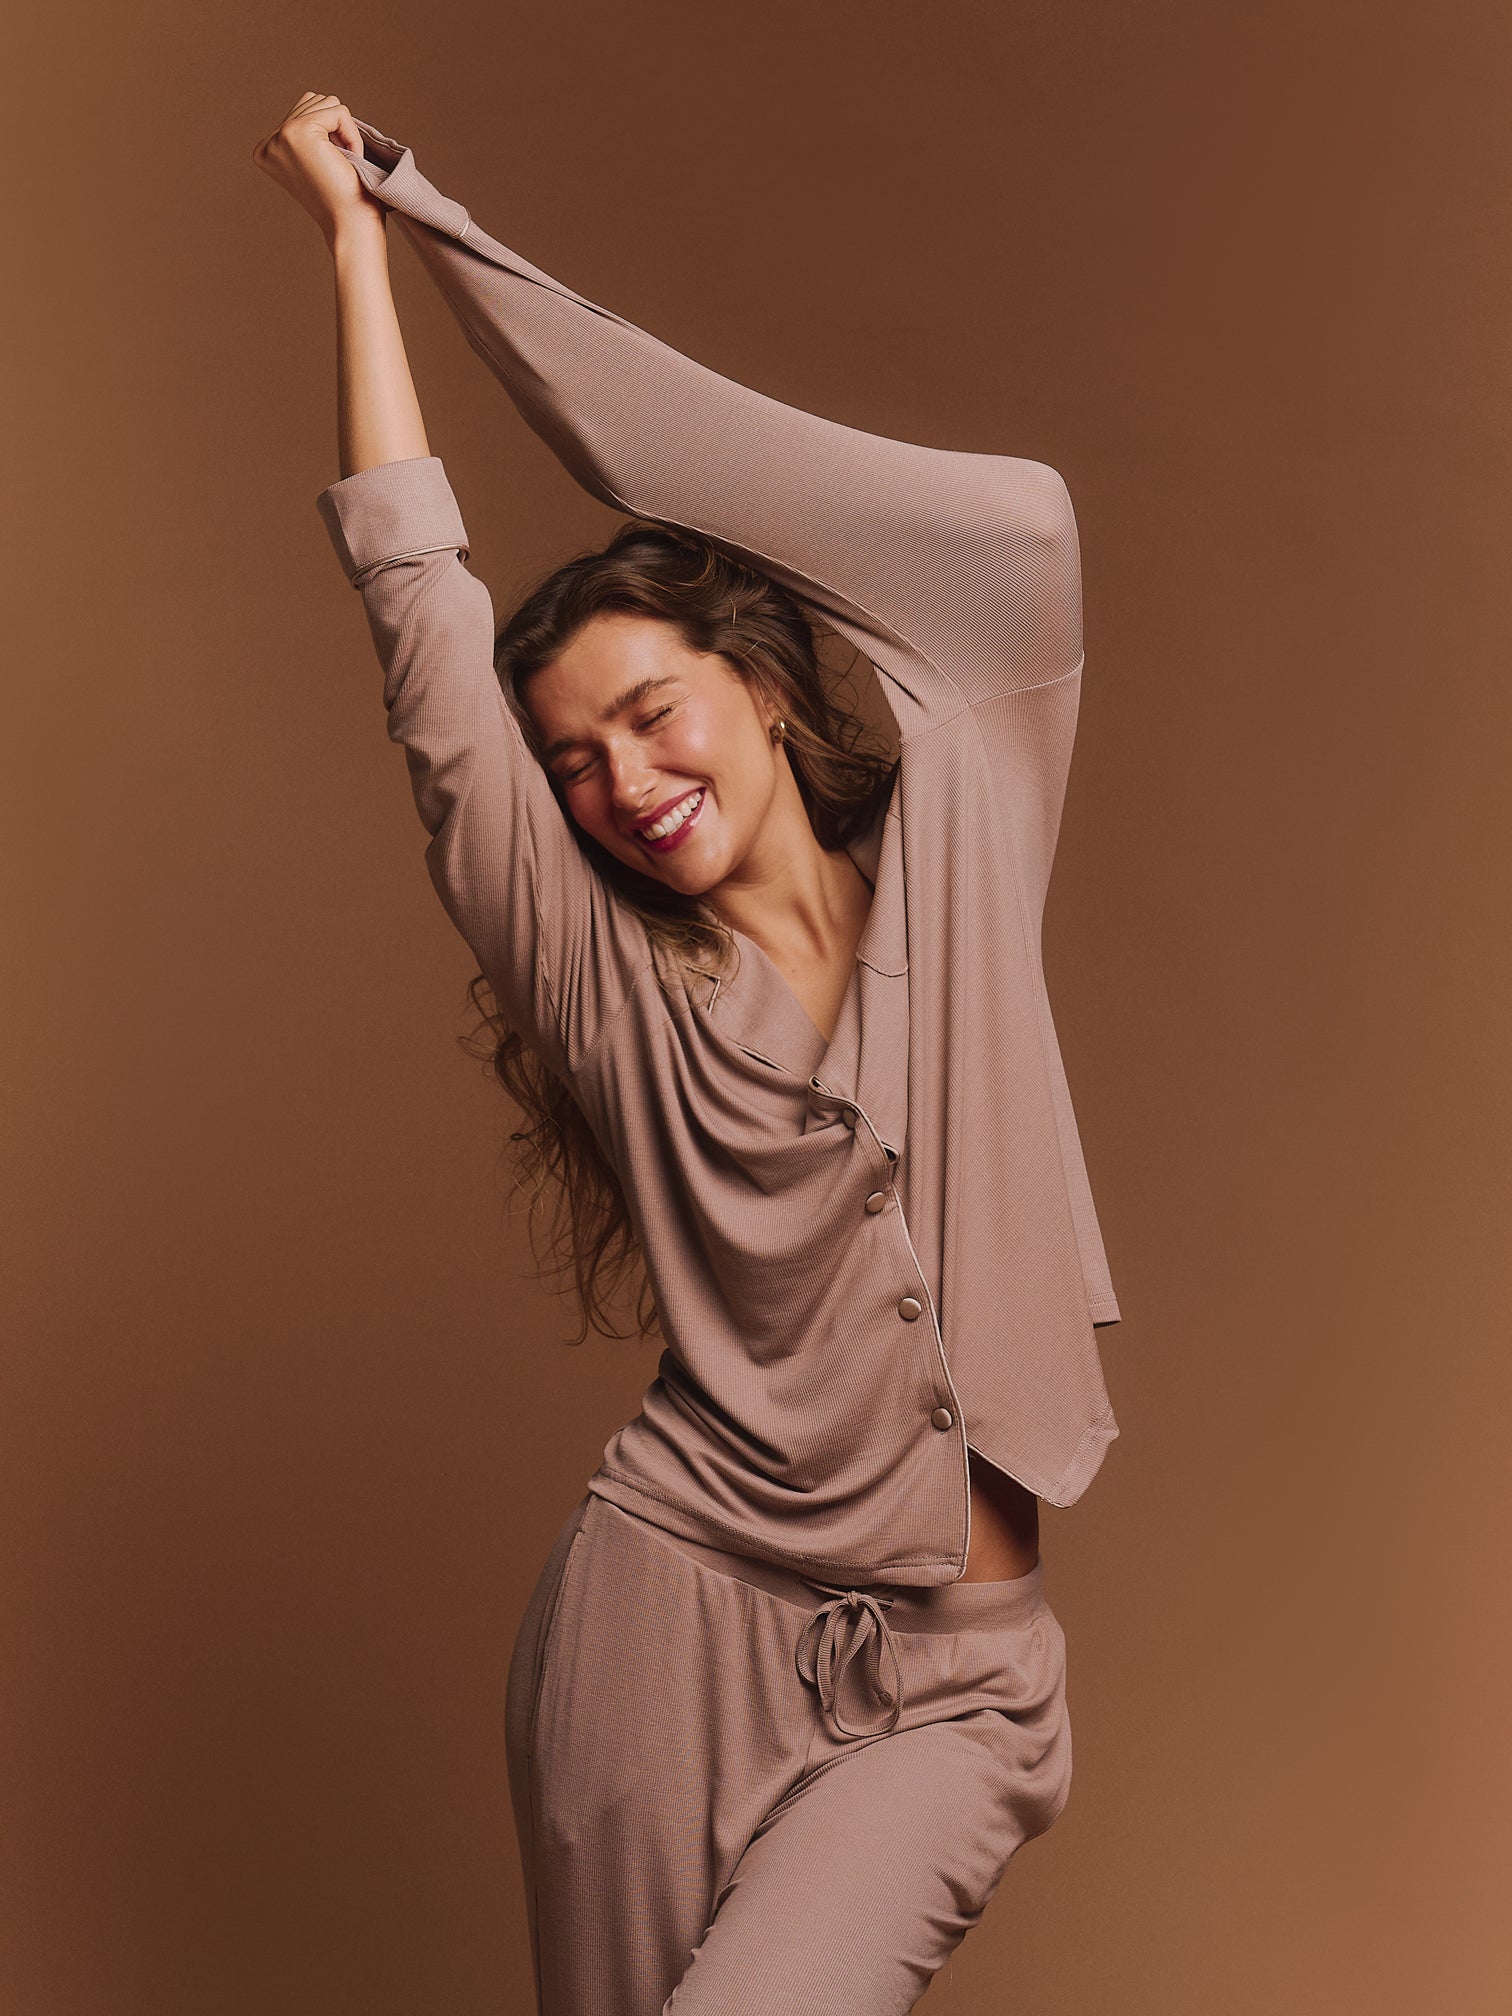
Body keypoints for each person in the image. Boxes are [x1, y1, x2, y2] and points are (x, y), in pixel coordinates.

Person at [255, 89, 1124, 2016]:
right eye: (574, 762)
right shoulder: (609, 983)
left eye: (656, 712)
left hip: (962, 1692)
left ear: (767, 678)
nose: (623, 781)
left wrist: (453, 241)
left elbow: (1013, 529)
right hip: (662, 1641)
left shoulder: (969, 821)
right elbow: (422, 628)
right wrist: (355, 262)